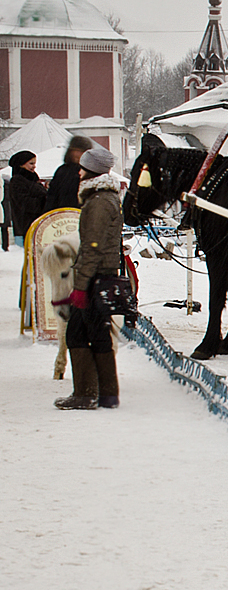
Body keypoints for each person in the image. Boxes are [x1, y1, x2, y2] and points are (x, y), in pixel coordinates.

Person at [54, 147, 123, 409]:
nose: (79, 172)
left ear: (91, 171)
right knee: (97, 333)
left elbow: (92, 247)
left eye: (82, 168)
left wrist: (81, 287)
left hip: (95, 278)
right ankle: (105, 394)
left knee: (77, 333)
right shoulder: (105, 198)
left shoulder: (99, 202)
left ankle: (86, 393)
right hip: (99, 276)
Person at [44, 135, 96, 213]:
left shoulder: (91, 171)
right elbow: (52, 195)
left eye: (81, 151)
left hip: (83, 213)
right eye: (76, 151)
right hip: (61, 213)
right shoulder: (62, 171)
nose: (78, 154)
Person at [7, 151, 46, 248]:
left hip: (37, 224)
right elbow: (24, 203)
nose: (34, 167)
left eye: (35, 164)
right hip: (26, 226)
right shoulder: (17, 181)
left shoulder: (32, 178)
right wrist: (44, 202)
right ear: (21, 165)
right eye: (31, 163)